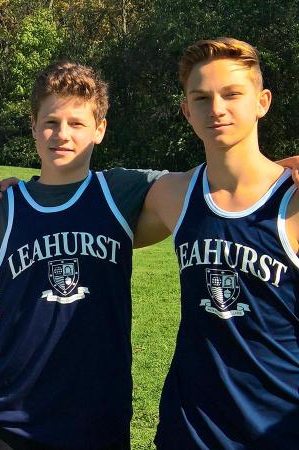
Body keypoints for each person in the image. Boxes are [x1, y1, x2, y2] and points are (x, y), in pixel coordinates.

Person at [0, 62, 164, 450]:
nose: (62, 134)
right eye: (51, 122)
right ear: (33, 126)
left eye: (77, 123)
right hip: (12, 420)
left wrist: (278, 170)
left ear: (100, 129)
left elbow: (210, 184)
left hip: (98, 417)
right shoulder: (8, 207)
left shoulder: (120, 192)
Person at [131, 37, 299, 449]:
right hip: (188, 431)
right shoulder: (173, 195)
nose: (217, 109)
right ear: (187, 110)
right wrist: (17, 195)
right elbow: (82, 216)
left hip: (277, 430)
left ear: (262, 101)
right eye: (201, 98)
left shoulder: (293, 201)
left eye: (232, 94)